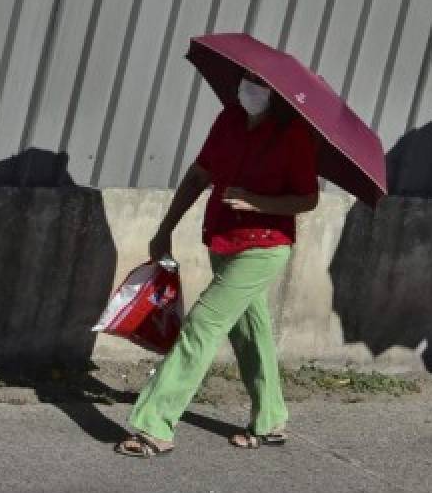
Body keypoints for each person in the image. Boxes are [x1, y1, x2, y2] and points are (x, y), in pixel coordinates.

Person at [115, 72, 319, 457]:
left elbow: (307, 200)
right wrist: (165, 228)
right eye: (246, 79)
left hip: (263, 247)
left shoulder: (292, 135)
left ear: (276, 93)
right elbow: (199, 175)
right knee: (249, 330)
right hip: (223, 240)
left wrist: (259, 203)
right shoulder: (228, 120)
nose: (249, 88)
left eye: (260, 83)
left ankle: (154, 426)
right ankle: (271, 418)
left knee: (203, 323)